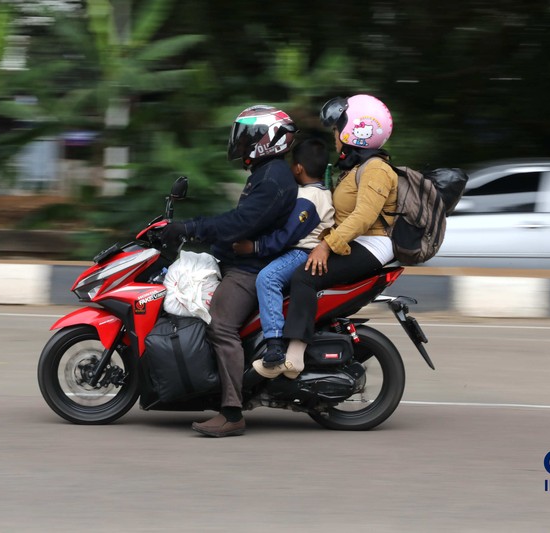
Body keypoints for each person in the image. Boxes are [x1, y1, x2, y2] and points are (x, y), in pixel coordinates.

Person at [159, 105, 298, 437]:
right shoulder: (265, 174)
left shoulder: (273, 178)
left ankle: (232, 411)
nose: (241, 141)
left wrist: (193, 227)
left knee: (221, 325)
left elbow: (241, 223)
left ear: (269, 139)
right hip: (240, 262)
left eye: (249, 135)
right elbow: (240, 222)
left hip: (250, 270)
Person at [259, 94, 399, 379]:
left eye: (338, 128)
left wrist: (325, 246)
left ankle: (293, 357)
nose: (335, 135)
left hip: (372, 244)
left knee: (304, 276)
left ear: (356, 131)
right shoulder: (358, 168)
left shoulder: (377, 170)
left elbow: (363, 217)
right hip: (358, 241)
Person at [230, 138, 335, 376]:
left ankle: (274, 345)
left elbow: (286, 236)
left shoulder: (310, 198)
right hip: (298, 249)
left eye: (291, 165)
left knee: (268, 278)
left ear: (298, 168)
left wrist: (254, 247)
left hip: (303, 252)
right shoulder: (313, 192)